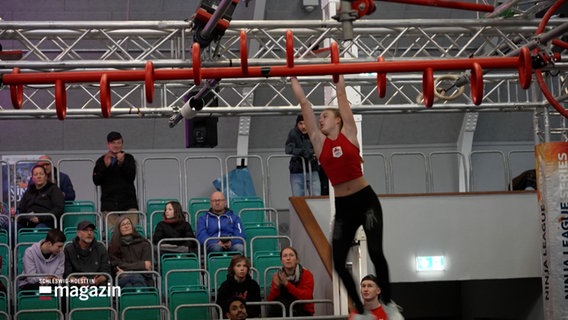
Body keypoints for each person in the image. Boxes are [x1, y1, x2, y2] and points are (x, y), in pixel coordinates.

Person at [290, 75, 395, 318]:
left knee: (376, 252)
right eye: (320, 117)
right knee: (337, 261)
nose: (320, 119)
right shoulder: (318, 142)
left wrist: (338, 76)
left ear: (338, 119)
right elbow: (305, 104)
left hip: (366, 201)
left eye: (325, 116)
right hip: (345, 207)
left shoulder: (349, 132)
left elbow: (341, 95)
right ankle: (359, 309)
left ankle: (387, 303)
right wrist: (293, 77)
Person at [92, 131, 139, 228]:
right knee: (113, 236)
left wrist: (122, 164)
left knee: (131, 233)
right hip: (109, 205)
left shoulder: (129, 158)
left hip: (129, 204)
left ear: (122, 144)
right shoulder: (101, 160)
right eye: (113, 143)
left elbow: (131, 177)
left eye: (119, 142)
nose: (116, 145)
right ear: (108, 144)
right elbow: (96, 181)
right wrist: (105, 166)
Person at [267, 246, 314, 317]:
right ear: (281, 260)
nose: (288, 258)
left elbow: (307, 297)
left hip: (302, 311)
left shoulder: (307, 274)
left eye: (291, 255)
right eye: (285, 256)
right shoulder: (278, 275)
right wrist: (276, 287)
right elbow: (270, 300)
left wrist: (287, 284)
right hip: (282, 311)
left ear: (297, 259)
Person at [108, 216, 152, 288]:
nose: (126, 226)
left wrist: (126, 271)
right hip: (121, 278)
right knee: (134, 279)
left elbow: (147, 265)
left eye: (128, 223)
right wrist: (141, 265)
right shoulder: (113, 246)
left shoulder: (144, 243)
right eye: (123, 225)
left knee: (129, 285)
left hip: (143, 277)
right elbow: (117, 265)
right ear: (118, 229)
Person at [64, 220, 111, 286]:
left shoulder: (100, 248)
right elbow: (67, 275)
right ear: (78, 233)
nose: (89, 233)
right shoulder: (69, 250)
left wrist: (98, 280)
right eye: (85, 230)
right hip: (76, 286)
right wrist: (77, 281)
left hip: (97, 286)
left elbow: (106, 272)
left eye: (91, 230)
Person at [17, 164, 65, 228]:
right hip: (28, 222)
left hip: (47, 223)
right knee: (12, 226)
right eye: (36, 174)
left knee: (40, 228)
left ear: (46, 176)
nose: (38, 176)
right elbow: (21, 209)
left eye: (41, 174)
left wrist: (40, 218)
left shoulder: (54, 189)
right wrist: (21, 217)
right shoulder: (29, 191)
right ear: (33, 178)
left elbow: (58, 209)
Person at [285, 114, 321, 196]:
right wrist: (303, 152)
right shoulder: (293, 133)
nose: (303, 126)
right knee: (298, 199)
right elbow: (288, 149)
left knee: (317, 197)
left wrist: (310, 152)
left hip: (313, 170)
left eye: (305, 123)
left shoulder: (315, 133)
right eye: (300, 123)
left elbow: (320, 146)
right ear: (297, 124)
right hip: (297, 171)